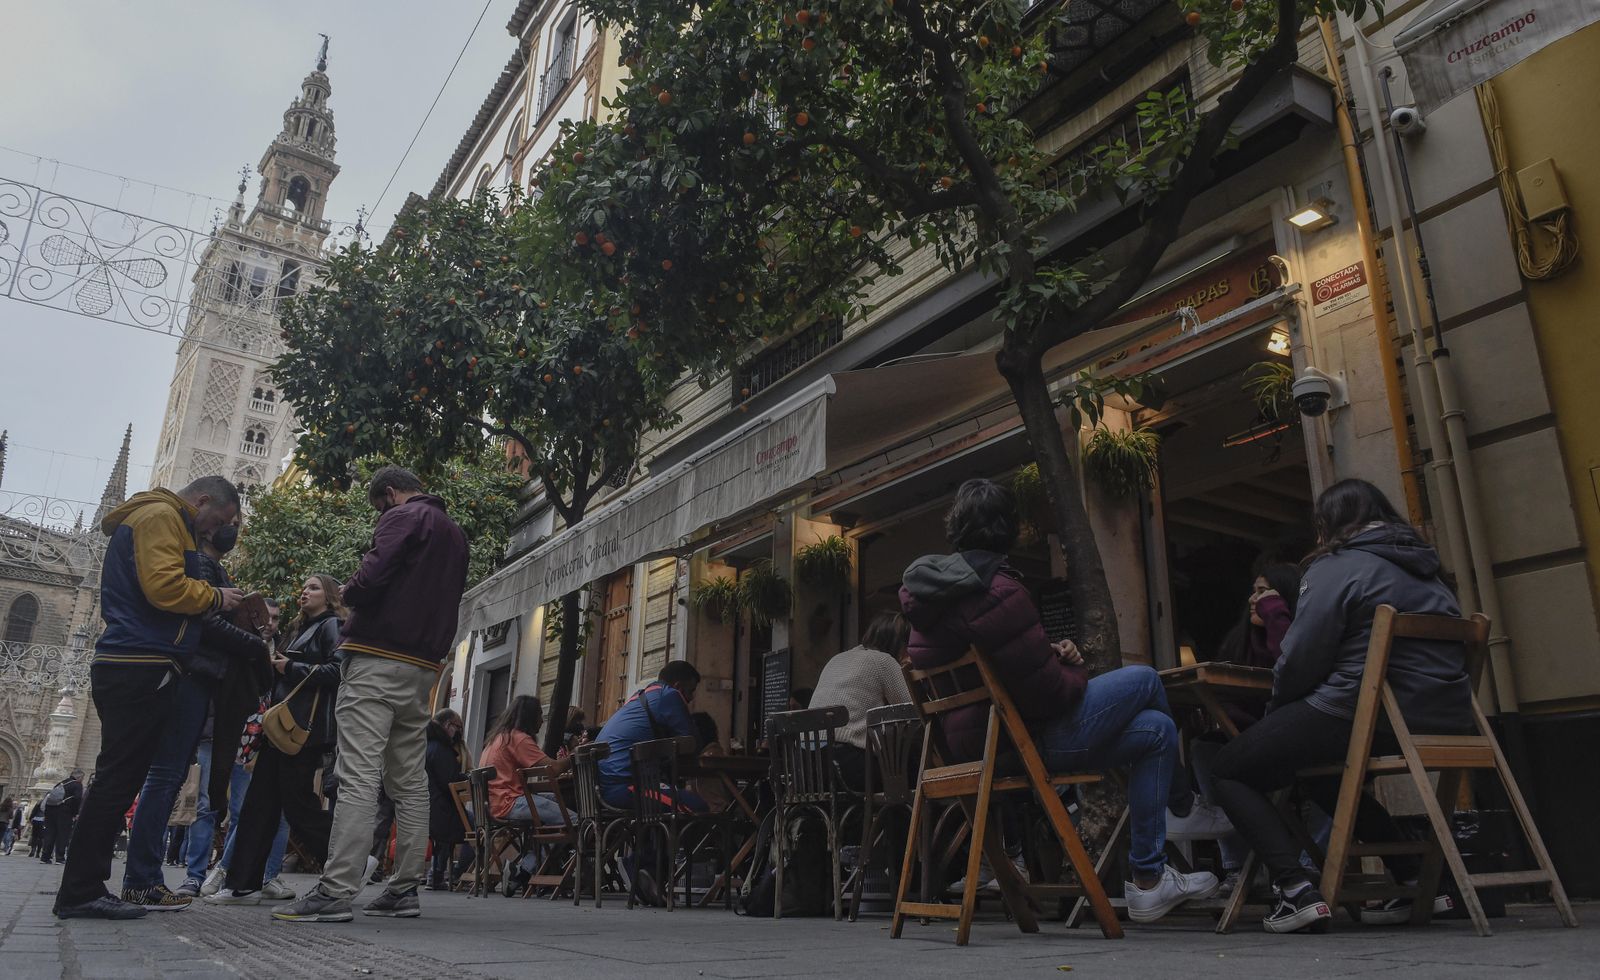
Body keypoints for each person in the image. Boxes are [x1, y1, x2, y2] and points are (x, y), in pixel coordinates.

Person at [899, 478, 1221, 923]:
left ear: (956, 527)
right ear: (1009, 529)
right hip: (1024, 743)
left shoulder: (928, 600)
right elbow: (1051, 695)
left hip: (975, 745)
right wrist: (1074, 665)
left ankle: (1148, 880)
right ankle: (1183, 808)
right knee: (1146, 679)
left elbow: (994, 668)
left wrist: (1048, 653)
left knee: (1157, 731)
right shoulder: (1000, 593)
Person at [1210, 478, 1473, 934]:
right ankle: (1420, 878)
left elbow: (1299, 659)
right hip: (1441, 718)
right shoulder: (1430, 572)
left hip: (1357, 711)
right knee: (1322, 777)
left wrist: (1278, 715)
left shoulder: (1337, 566)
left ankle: (1295, 889)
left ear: (1327, 525)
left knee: (1227, 767)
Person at [273, 466, 468, 923]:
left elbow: (370, 578)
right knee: (408, 778)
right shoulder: (455, 534)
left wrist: (350, 590)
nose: (379, 515)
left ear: (390, 494)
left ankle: (336, 890)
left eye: (378, 507)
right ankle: (404, 887)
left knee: (358, 771)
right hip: (422, 667)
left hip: (377, 656)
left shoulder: (403, 517)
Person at [53, 476, 245, 920]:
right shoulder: (161, 517)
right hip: (140, 661)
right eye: (222, 519)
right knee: (119, 779)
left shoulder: (164, 520)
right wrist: (218, 596)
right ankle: (81, 890)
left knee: (121, 777)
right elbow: (164, 588)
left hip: (138, 659)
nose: (220, 530)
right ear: (202, 501)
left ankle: (86, 886)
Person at [121, 518, 270, 910]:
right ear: (209, 523)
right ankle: (141, 879)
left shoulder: (208, 566)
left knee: (166, 778)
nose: (235, 527)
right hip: (191, 677)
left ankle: (145, 877)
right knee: (165, 776)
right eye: (232, 520)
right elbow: (208, 624)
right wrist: (254, 648)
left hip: (195, 679)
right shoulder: (200, 564)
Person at [212, 574, 345, 905]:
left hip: (302, 730)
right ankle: (242, 885)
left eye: (313, 587)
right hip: (282, 727)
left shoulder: (332, 626)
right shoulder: (301, 628)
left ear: (329, 597)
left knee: (294, 805)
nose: (304, 591)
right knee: (263, 805)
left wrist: (292, 668)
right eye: (304, 586)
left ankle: (347, 860)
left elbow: (340, 670)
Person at [183, 596, 283, 898]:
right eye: (263, 616)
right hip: (217, 735)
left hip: (255, 742)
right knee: (205, 807)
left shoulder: (281, 653)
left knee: (243, 810)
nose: (268, 623)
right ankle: (194, 876)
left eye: (275, 618)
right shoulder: (231, 643)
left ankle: (225, 872)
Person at [808, 612, 914, 790]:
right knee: (908, 768)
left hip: (805, 767)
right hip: (843, 766)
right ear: (899, 644)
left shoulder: (836, 659)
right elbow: (913, 712)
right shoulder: (884, 661)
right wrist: (908, 670)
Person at [478, 696, 574, 893]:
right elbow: (553, 768)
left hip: (494, 804)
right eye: (539, 714)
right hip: (509, 803)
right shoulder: (518, 738)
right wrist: (575, 755)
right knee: (575, 821)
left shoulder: (497, 738)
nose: (542, 720)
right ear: (530, 716)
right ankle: (523, 870)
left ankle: (519, 877)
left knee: (556, 806)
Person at [199, 698, 292, 898]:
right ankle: (225, 870)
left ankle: (267, 877)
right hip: (246, 730)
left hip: (276, 727)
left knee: (277, 814)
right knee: (243, 810)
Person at [595, 661, 705, 813]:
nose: (691, 698)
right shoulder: (669, 695)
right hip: (627, 787)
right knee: (699, 808)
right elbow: (693, 743)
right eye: (690, 691)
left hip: (608, 785)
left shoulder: (639, 696)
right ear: (678, 686)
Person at [424, 709, 469, 890]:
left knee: (448, 832)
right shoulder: (441, 750)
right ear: (447, 725)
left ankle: (436, 875)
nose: (459, 731)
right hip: (442, 810)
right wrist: (466, 778)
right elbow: (448, 782)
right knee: (477, 830)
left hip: (431, 808)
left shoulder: (429, 745)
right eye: (457, 727)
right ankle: (458, 873)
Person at [41, 769, 85, 865]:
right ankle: (59, 858)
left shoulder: (61, 783)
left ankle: (45, 857)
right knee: (62, 835)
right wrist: (75, 813)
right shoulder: (77, 785)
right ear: (80, 777)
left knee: (50, 834)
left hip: (50, 811)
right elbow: (77, 799)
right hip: (64, 813)